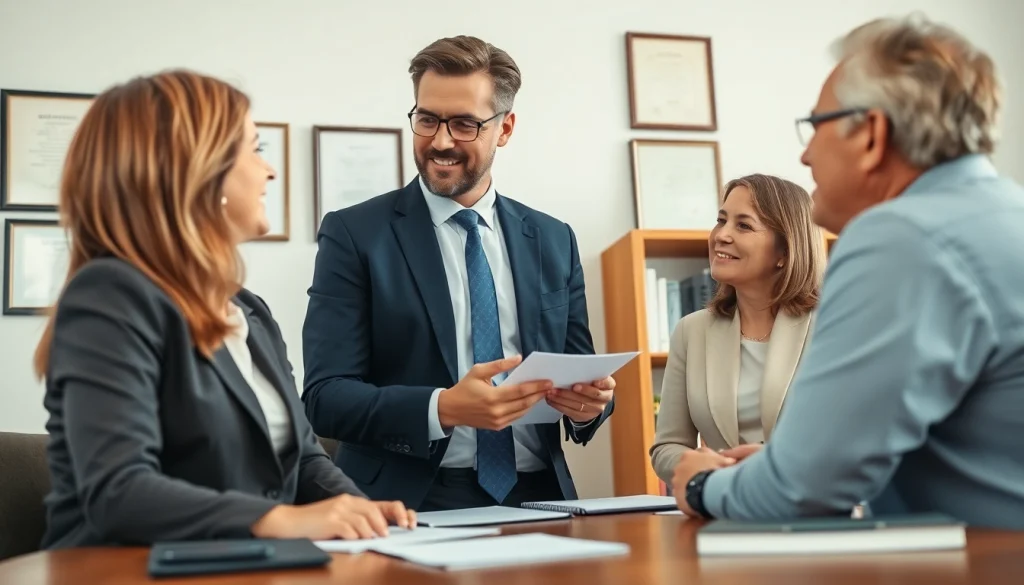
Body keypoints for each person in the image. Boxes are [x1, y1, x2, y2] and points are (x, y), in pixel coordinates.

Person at [34, 70, 415, 548]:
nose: (270, 171)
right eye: (255, 149)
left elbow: (302, 459)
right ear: (196, 170)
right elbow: (119, 491)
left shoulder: (248, 311)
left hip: (242, 565)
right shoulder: (109, 295)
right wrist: (279, 520)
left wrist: (362, 516)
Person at [672, 14, 1024, 529]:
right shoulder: (1003, 213)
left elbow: (802, 492)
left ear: (872, 134)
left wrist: (702, 485)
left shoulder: (900, 237)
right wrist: (778, 466)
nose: (806, 152)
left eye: (817, 125)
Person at [302, 35, 614, 511]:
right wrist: (441, 408)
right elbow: (325, 397)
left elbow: (578, 367)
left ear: (504, 128)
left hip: (539, 499)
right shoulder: (354, 233)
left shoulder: (554, 239)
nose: (441, 141)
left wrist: (592, 405)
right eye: (427, 119)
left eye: (465, 124)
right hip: (409, 501)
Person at [649, 174, 825, 484]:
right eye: (721, 220)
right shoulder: (692, 331)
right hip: (723, 506)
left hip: (811, 507)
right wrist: (712, 466)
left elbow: (858, 440)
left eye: (743, 225)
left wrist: (776, 464)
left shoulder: (831, 326)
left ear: (784, 251)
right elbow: (666, 447)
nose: (721, 235)